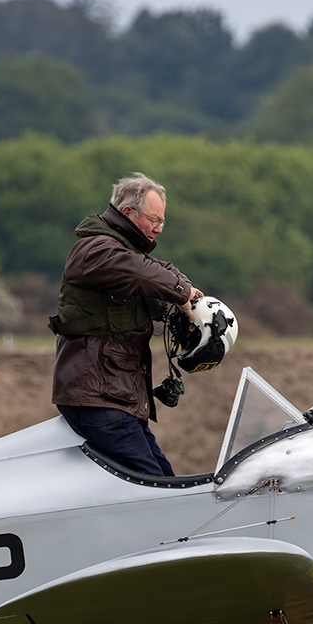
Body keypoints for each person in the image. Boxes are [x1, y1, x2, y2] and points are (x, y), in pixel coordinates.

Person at [50, 173, 202, 477]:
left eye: (162, 222)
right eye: (153, 220)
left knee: (164, 481)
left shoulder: (125, 254)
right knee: (156, 489)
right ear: (128, 213)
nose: (158, 229)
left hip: (116, 399)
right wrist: (182, 292)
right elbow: (142, 272)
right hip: (100, 398)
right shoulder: (95, 250)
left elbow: (160, 270)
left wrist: (185, 302)